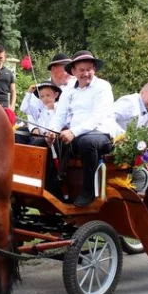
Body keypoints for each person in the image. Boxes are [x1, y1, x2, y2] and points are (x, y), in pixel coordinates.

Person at [46, 50, 115, 207]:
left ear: (94, 69)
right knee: (45, 143)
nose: (86, 73)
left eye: (89, 69)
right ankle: (54, 188)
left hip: (101, 134)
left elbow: (97, 117)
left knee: (87, 142)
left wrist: (73, 132)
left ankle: (89, 191)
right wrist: (51, 131)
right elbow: (60, 116)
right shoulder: (69, 90)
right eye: (82, 70)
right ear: (74, 72)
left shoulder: (102, 87)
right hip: (76, 135)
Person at [21, 53, 76, 124]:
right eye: (66, 70)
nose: (70, 74)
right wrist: (34, 128)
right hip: (41, 131)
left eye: (70, 70)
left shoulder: (75, 87)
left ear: (56, 95)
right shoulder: (41, 88)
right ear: (53, 70)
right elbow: (29, 112)